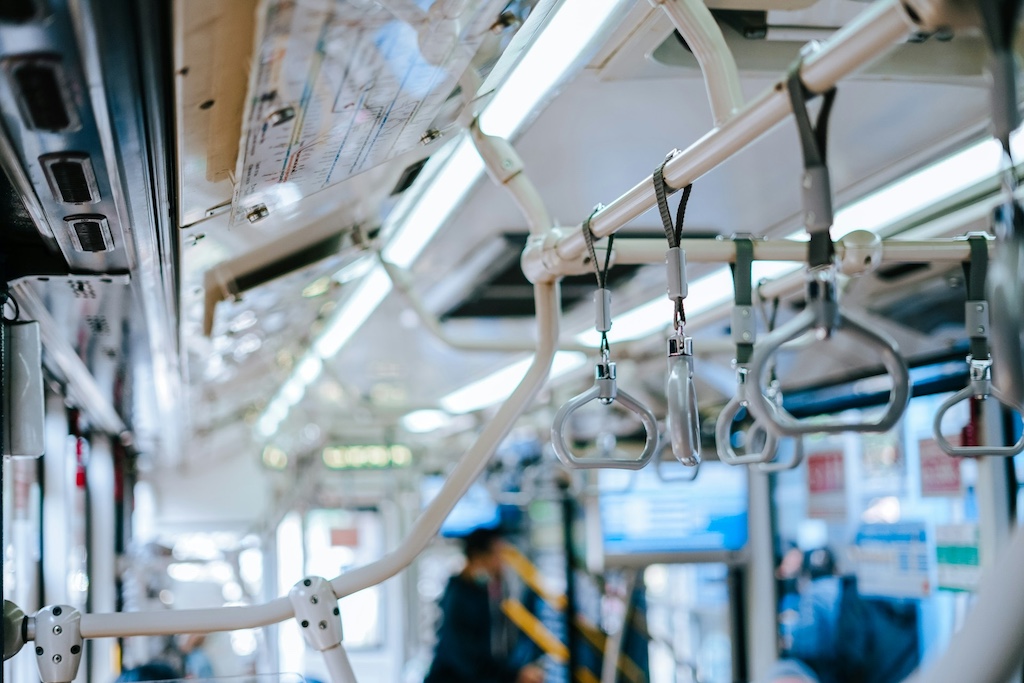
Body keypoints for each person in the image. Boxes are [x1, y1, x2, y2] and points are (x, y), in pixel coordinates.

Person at [424, 528, 544, 683]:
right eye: (497, 555)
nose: (502, 563)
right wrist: (514, 676)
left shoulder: (478, 591)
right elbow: (465, 658)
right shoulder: (459, 598)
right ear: (479, 557)